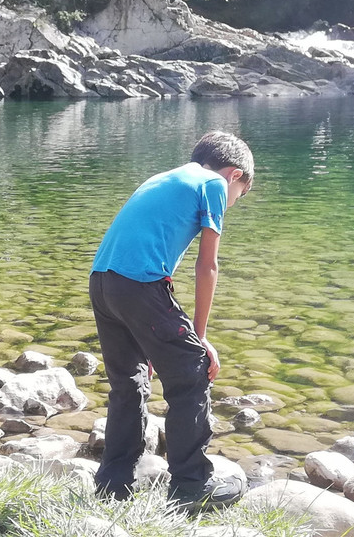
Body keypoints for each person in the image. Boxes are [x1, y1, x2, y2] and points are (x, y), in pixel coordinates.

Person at [89, 130, 254, 511]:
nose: (232, 204)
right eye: (239, 197)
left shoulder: (164, 177)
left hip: (102, 281)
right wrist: (201, 337)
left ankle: (113, 486)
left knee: (129, 384)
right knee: (193, 370)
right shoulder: (213, 183)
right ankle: (191, 485)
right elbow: (207, 265)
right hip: (138, 284)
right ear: (234, 175)